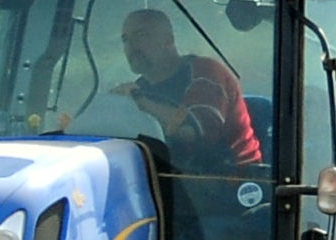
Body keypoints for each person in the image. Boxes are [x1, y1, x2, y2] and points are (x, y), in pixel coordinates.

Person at [112, 9, 263, 171]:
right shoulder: (139, 89)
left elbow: (196, 133)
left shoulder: (206, 73)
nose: (131, 46)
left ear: (168, 41)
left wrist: (139, 102)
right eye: (125, 39)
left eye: (141, 36)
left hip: (234, 180)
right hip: (169, 178)